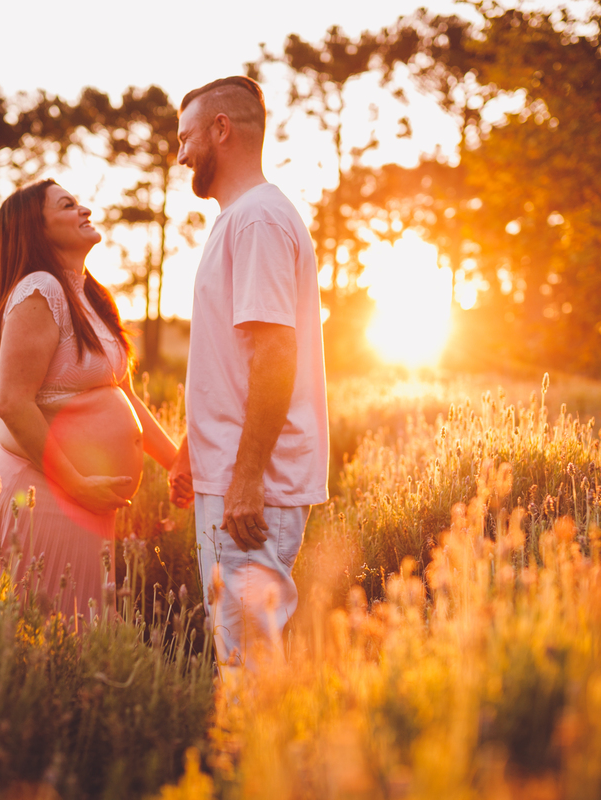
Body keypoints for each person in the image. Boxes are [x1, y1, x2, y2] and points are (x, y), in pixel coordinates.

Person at [167, 76, 329, 668]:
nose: (180, 154)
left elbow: (274, 354)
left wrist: (246, 478)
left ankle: (259, 761)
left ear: (221, 130)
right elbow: (231, 361)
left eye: (185, 138)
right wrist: (193, 447)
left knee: (250, 663)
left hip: (252, 490)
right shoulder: (240, 218)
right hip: (231, 477)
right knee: (237, 652)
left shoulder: (257, 219)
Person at [0, 179, 180, 621]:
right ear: (38, 229)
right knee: (39, 638)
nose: (84, 209)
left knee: (75, 638)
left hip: (82, 501)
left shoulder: (89, 295)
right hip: (41, 497)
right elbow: (11, 402)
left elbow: (119, 392)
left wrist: (176, 461)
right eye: (68, 205)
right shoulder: (40, 289)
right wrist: (77, 484)